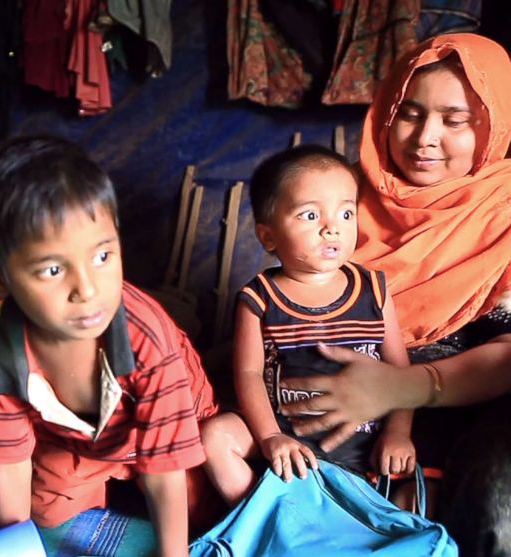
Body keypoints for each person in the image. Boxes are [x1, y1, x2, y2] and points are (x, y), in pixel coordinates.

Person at [277, 34, 511, 553]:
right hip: (349, 390)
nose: (425, 138)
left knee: (497, 507)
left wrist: (404, 388)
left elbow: (507, 355)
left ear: (494, 127)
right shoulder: (342, 196)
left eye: (455, 120)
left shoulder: (505, 215)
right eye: (409, 113)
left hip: (468, 402)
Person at [0, 135, 217, 556]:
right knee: (42, 522)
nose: (86, 289)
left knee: (196, 523)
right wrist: (12, 549)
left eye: (102, 257)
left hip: (172, 435)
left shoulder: (146, 338)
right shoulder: (1, 343)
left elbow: (164, 472)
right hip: (76, 445)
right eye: (51, 269)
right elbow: (10, 462)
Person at [199, 145, 414, 508]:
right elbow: (249, 374)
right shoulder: (259, 298)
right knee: (213, 437)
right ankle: (270, 515)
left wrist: (397, 432)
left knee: (425, 490)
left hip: (361, 441)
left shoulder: (374, 290)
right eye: (310, 215)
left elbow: (400, 371)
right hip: (286, 437)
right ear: (268, 237)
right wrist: (269, 438)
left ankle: (351, 519)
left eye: (346, 213)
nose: (332, 228)